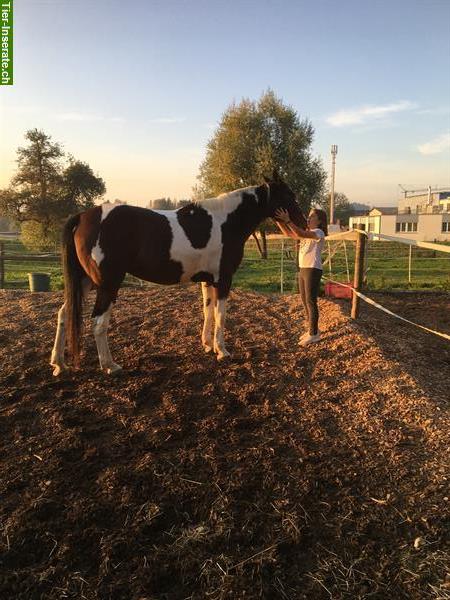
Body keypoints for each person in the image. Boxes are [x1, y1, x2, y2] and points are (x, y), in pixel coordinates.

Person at [274, 207, 328, 346]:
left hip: (312, 270)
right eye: (308, 216)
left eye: (312, 217)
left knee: (311, 301)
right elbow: (289, 233)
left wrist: (288, 220)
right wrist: (278, 220)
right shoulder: (307, 233)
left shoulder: (318, 232)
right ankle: (312, 329)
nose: (308, 219)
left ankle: (314, 334)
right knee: (304, 300)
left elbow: (298, 232)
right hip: (304, 269)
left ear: (320, 221)